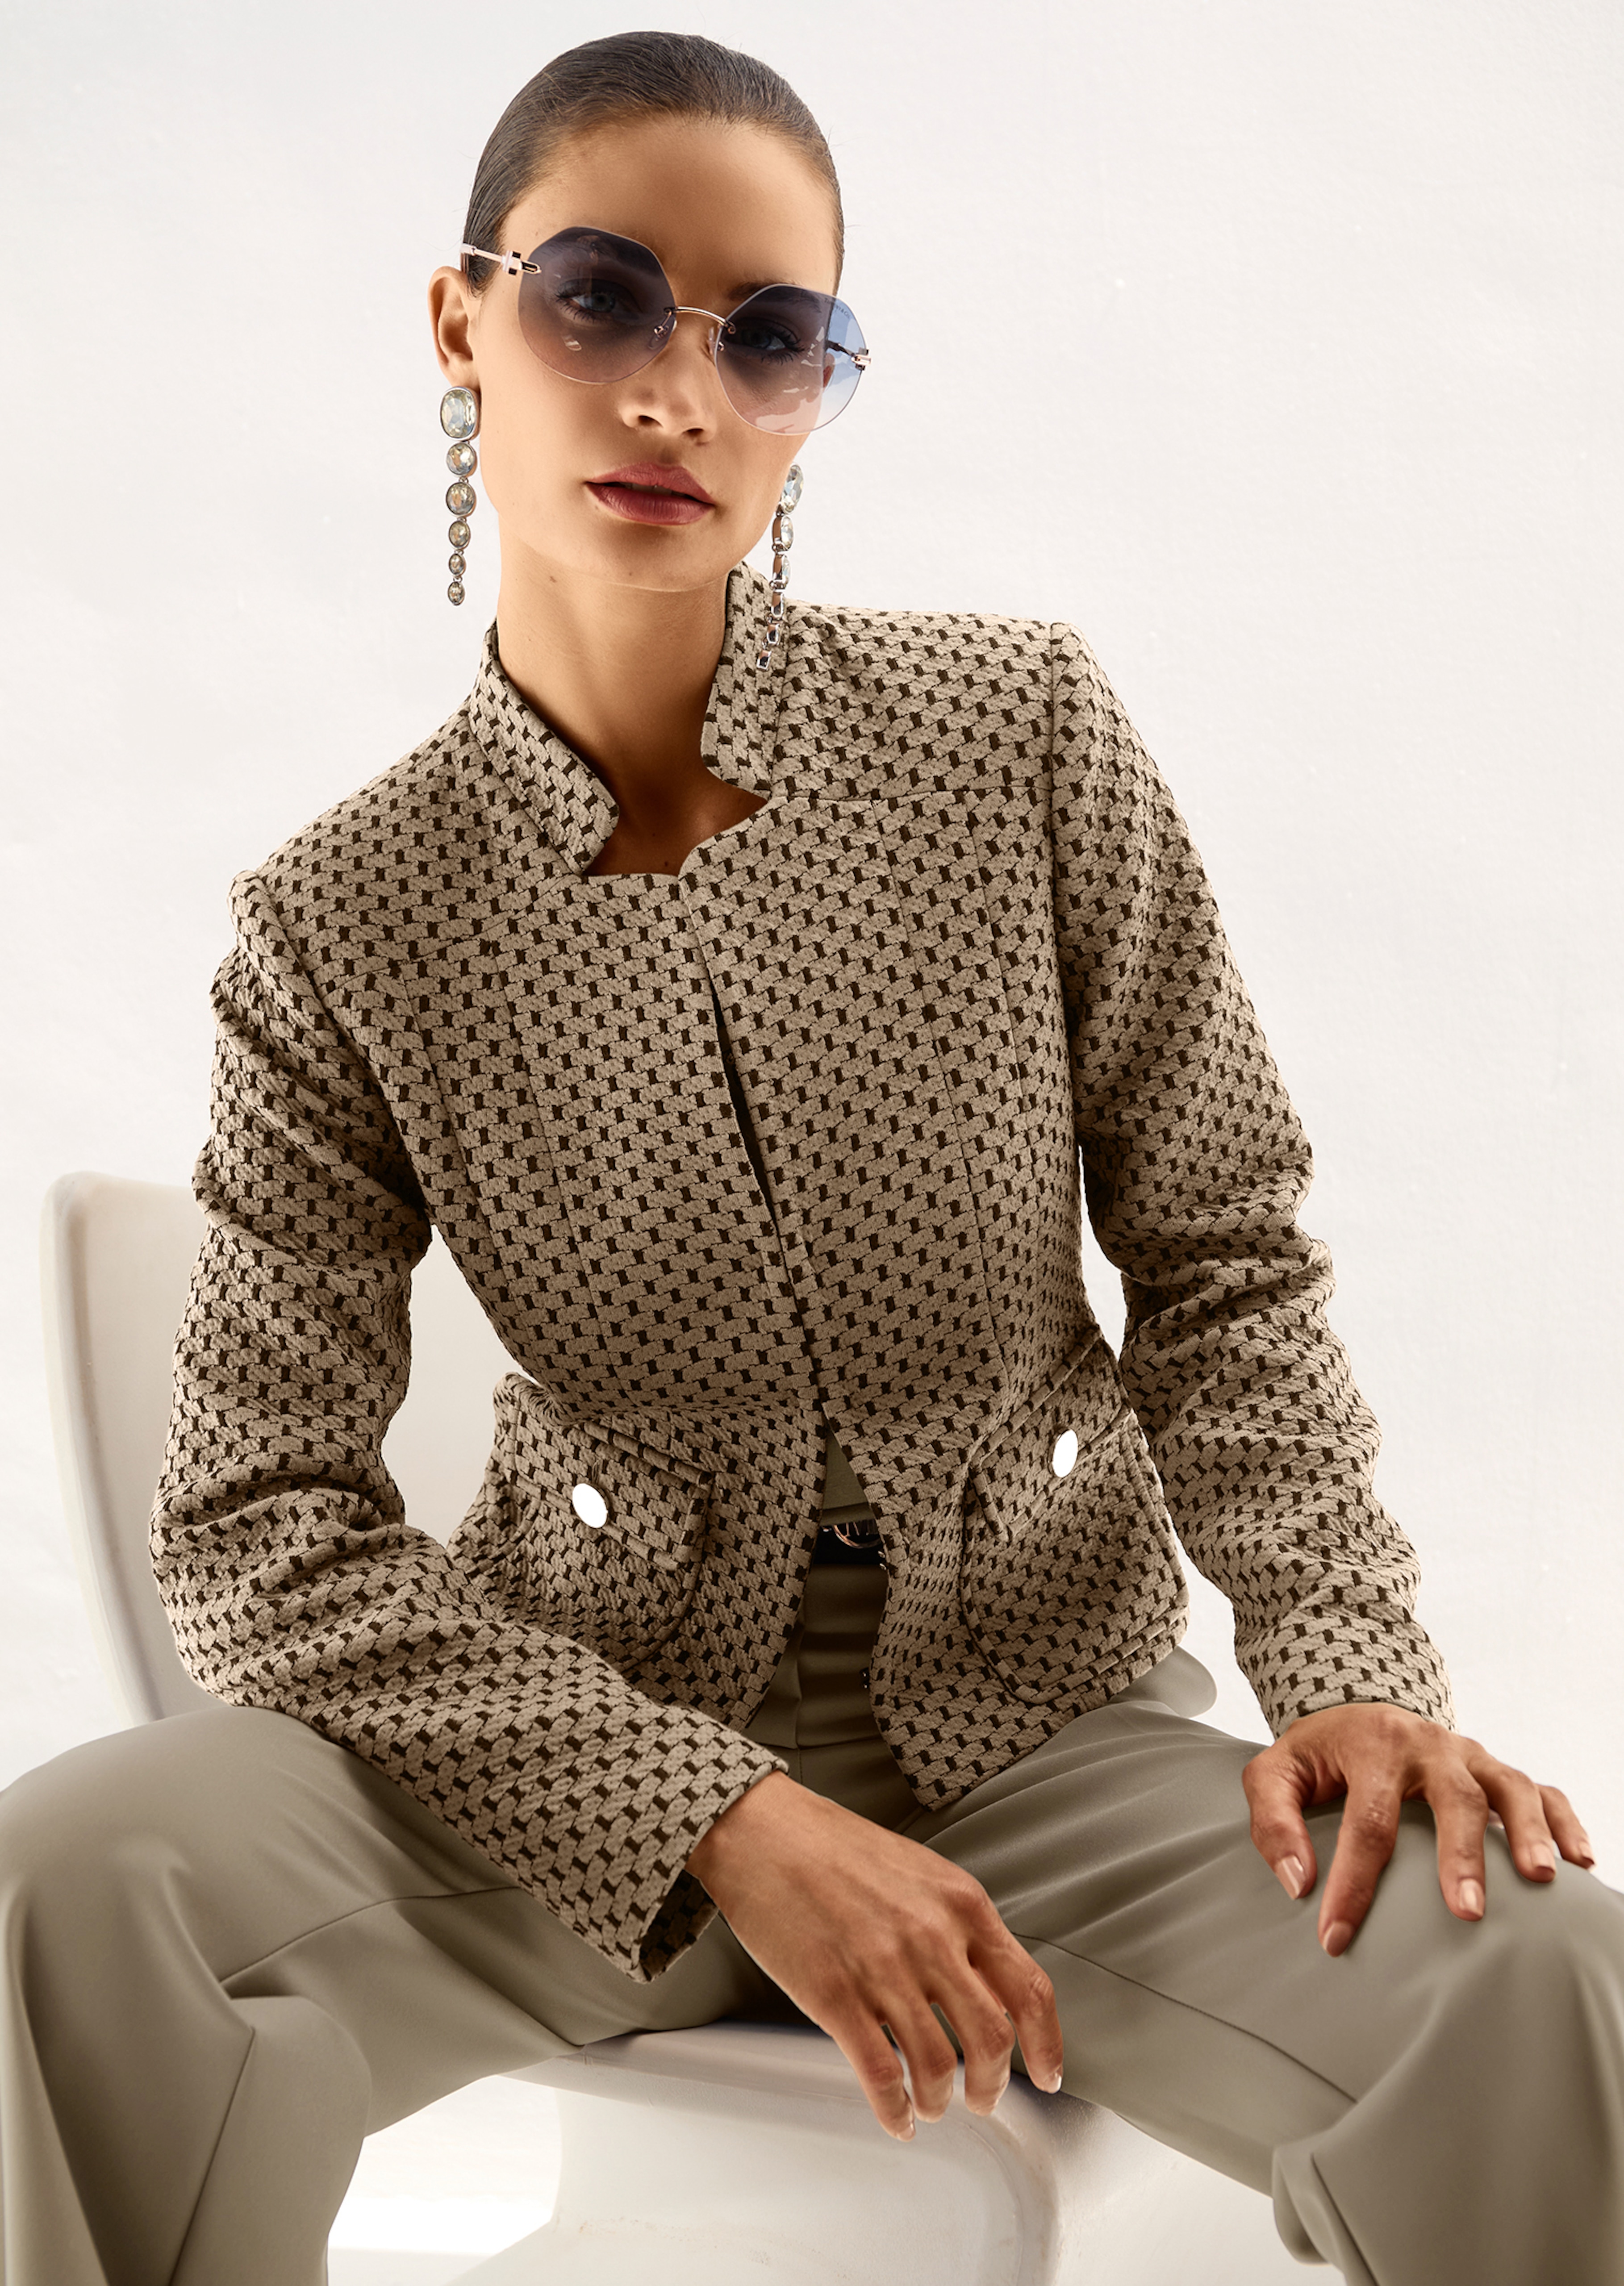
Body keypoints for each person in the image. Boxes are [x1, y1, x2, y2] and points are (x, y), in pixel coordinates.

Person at [2, 29, 1620, 2286]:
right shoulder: (346, 917)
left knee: (1538, 1968)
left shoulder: (1015, 738)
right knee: (73, 1885)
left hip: (1045, 1746)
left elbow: (1225, 1262)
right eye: (598, 297)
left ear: (815, 393)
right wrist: (716, 1810)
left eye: (768, 336)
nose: (677, 390)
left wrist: (1350, 1661)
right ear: (460, 322)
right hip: (566, 1760)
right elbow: (256, 1531)